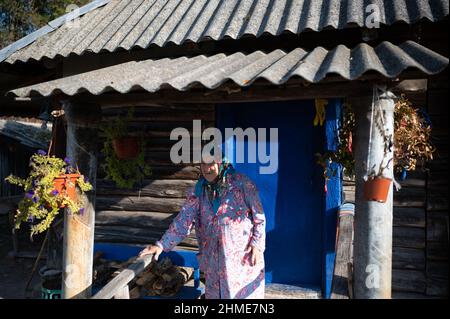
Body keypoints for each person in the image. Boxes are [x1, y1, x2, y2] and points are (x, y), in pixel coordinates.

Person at [139, 152, 266, 299]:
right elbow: (182, 221)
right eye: (203, 163)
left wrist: (257, 245)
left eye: (211, 163)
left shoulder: (243, 183)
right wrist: (161, 245)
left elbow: (259, 217)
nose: (207, 168)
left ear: (221, 162)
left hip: (243, 260)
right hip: (214, 264)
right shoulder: (198, 191)